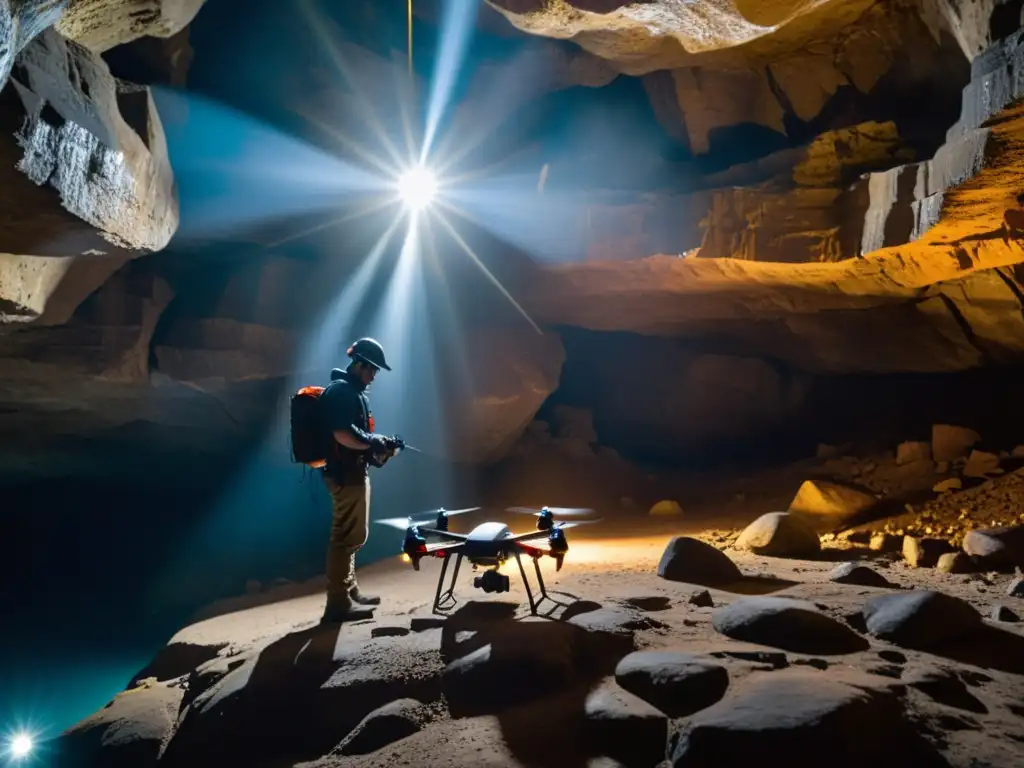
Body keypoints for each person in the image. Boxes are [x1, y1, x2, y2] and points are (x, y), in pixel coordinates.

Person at [317, 337, 402, 624]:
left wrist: (380, 448)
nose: (375, 374)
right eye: (373, 368)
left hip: (351, 471)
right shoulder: (341, 392)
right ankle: (338, 603)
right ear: (359, 364)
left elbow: (356, 438)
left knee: (352, 535)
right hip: (344, 474)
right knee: (344, 536)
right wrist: (373, 443)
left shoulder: (352, 392)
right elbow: (342, 434)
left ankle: (349, 591)